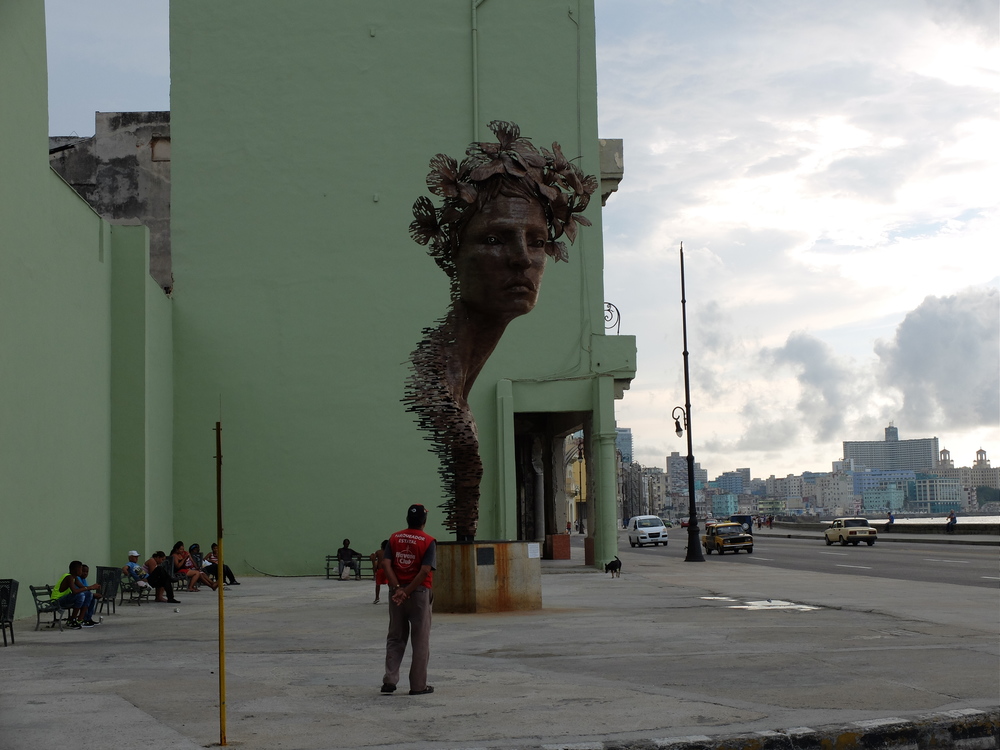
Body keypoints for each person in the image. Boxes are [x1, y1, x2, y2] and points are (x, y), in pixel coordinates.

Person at [405, 121, 596, 541]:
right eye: (495, 238)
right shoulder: (436, 388)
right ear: (453, 254)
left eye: (536, 241)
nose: (521, 259)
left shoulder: (455, 384)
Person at [380, 504, 436, 696]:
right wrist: (408, 591)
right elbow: (425, 570)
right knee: (420, 640)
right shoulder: (428, 541)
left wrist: (397, 589)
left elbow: (386, 564)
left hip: (396, 595)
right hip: (419, 594)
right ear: (424, 521)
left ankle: (390, 679)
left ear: (407, 520)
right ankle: (418, 685)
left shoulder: (394, 538)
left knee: (395, 636)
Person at [53, 561, 100, 629]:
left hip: (64, 599)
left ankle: (81, 620)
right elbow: (74, 591)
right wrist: (90, 587)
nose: (81, 571)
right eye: (81, 569)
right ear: (76, 570)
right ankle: (72, 620)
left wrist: (93, 588)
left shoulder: (75, 578)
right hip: (57, 601)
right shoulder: (69, 577)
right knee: (80, 595)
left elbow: (83, 588)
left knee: (89, 594)